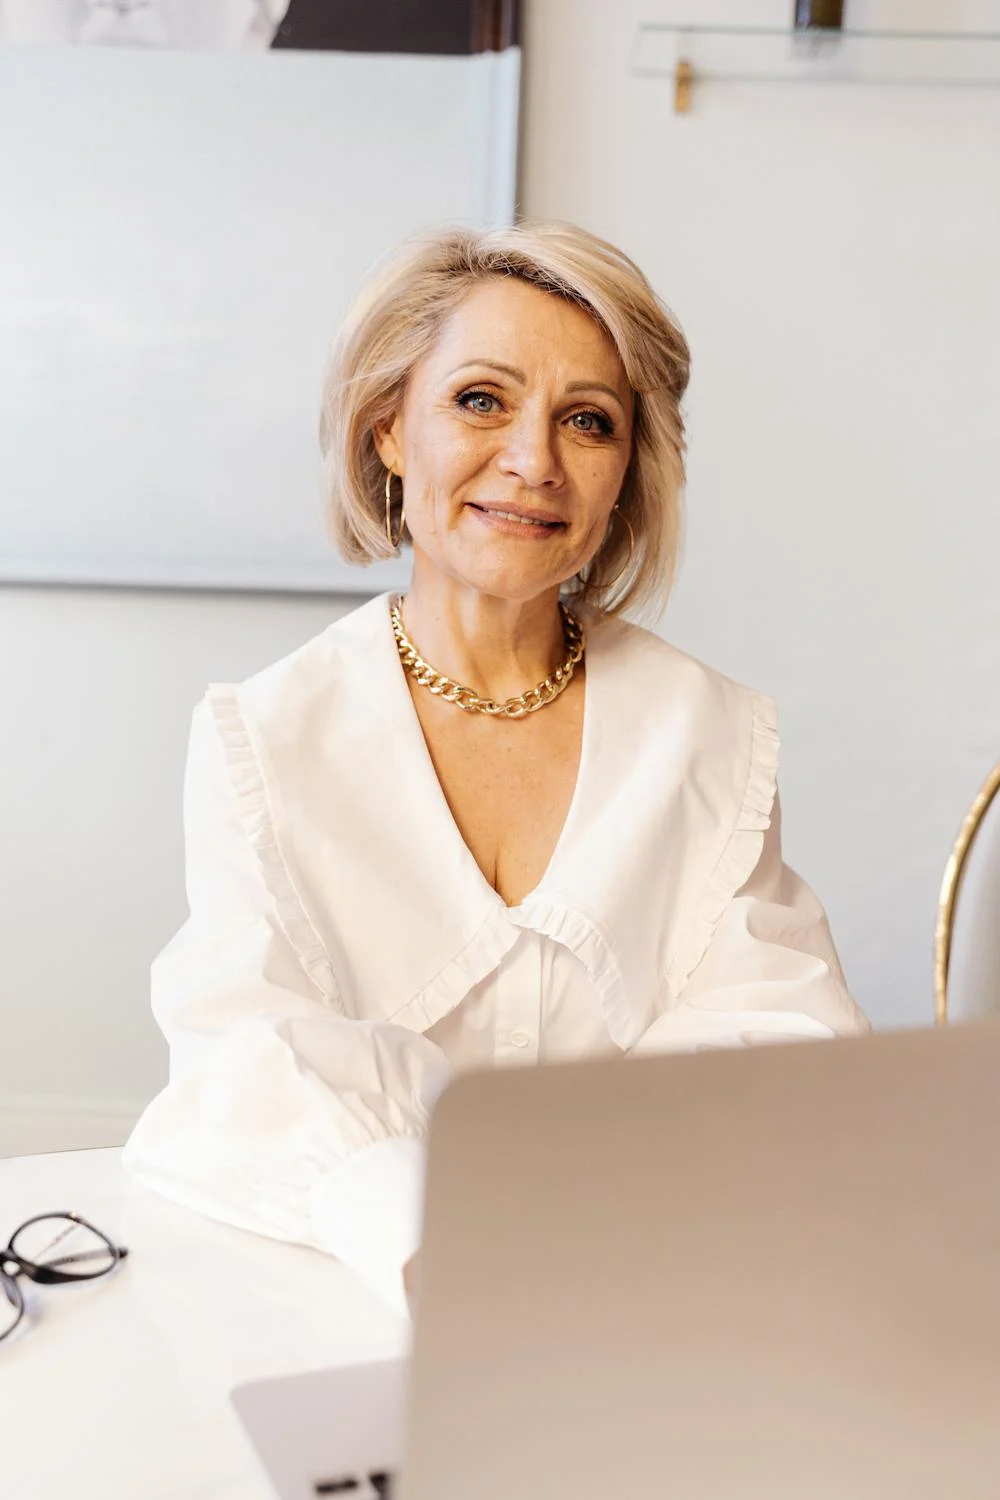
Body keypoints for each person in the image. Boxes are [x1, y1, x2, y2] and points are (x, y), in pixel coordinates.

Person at [123, 222, 869, 1316]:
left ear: (626, 475)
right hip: (342, 1298)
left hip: (650, 1289)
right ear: (388, 433)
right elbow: (243, 1067)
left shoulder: (708, 730)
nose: (533, 462)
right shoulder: (264, 735)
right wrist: (430, 1243)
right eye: (480, 400)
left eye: (587, 420)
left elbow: (779, 1047)